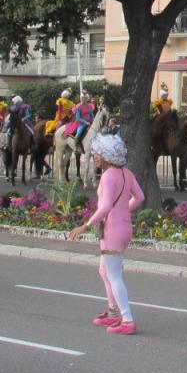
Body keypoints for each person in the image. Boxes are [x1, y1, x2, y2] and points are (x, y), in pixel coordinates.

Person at [68, 133, 145, 335]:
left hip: (112, 229)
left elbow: (105, 207)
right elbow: (140, 197)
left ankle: (126, 319)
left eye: (98, 153)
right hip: (124, 226)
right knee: (105, 271)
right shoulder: (127, 173)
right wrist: (124, 211)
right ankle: (113, 312)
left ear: (108, 156)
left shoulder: (108, 177)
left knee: (114, 275)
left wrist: (85, 225)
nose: (95, 156)